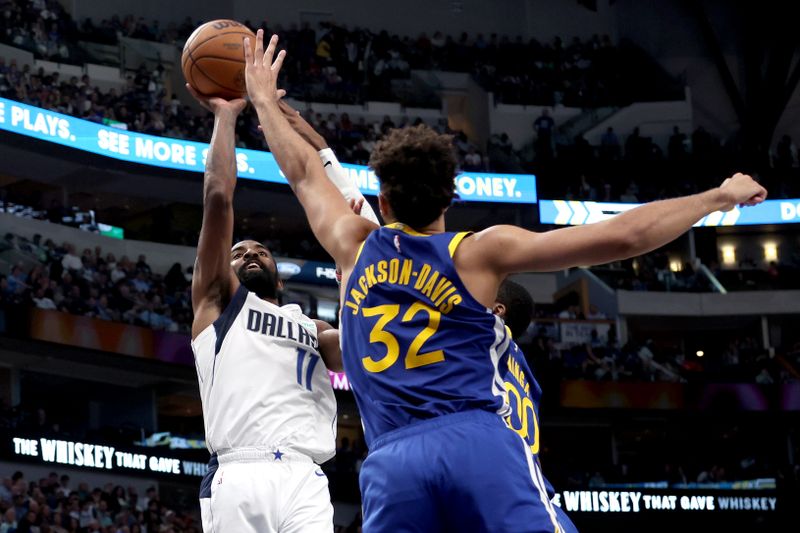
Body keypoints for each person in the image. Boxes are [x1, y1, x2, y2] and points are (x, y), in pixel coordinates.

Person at [243, 31, 767, 532]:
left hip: (390, 462)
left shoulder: (354, 244)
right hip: (475, 441)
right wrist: (715, 198)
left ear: (382, 202)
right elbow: (624, 236)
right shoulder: (477, 253)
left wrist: (263, 100)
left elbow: (305, 175)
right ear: (451, 198)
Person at [187, 83, 342, 533]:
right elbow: (218, 196)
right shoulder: (218, 304)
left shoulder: (312, 327)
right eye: (239, 253)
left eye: (260, 251)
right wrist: (225, 114)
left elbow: (363, 347)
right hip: (240, 469)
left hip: (305, 475)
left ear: (277, 277)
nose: (250, 253)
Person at [493, 279, 579, 533]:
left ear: (498, 310)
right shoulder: (525, 374)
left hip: (497, 487)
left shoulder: (480, 338)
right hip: (535, 496)